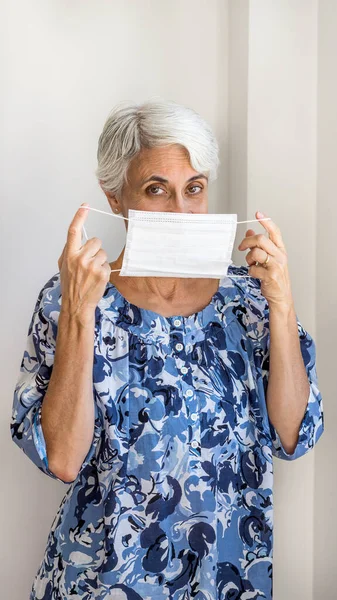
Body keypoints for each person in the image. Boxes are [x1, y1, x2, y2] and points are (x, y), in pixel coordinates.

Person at [10, 100, 324, 600]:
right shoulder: (68, 299)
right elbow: (64, 460)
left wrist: (282, 308)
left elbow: (293, 436)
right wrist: (79, 315)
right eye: (157, 190)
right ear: (114, 198)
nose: (180, 211)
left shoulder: (248, 301)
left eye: (193, 189)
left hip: (229, 574)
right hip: (101, 580)